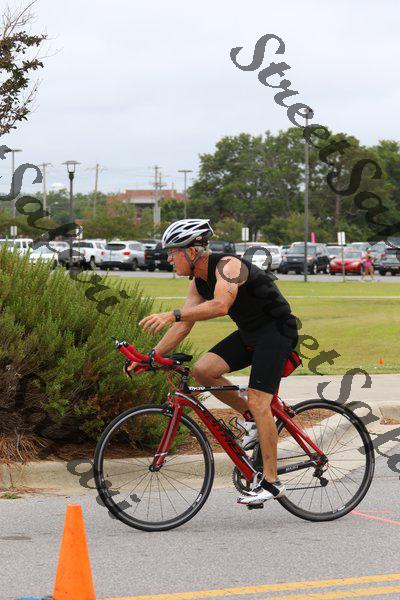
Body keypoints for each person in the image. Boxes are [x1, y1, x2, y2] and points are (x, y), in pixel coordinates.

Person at [128, 219, 298, 506]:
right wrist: (151, 357)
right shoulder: (198, 281)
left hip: (276, 331)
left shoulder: (228, 266)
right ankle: (251, 419)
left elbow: (220, 305)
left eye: (172, 253)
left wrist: (172, 313)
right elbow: (183, 326)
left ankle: (271, 482)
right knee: (203, 370)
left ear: (192, 251)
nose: (169, 259)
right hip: (250, 333)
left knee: (259, 401)